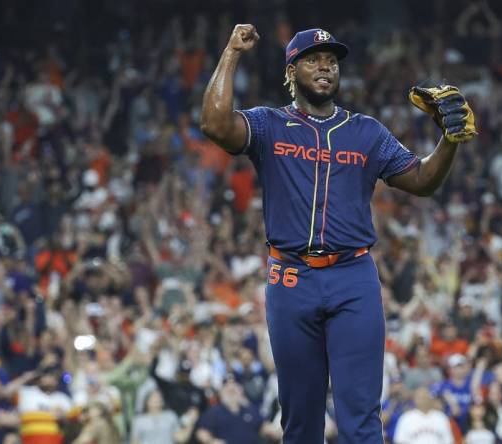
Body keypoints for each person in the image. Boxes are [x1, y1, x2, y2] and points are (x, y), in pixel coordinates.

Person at [200, 24, 475, 442]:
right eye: (313, 59)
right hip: (291, 279)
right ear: (291, 71)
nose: (326, 65)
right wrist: (232, 52)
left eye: (331, 60)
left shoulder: (366, 132)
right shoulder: (270, 124)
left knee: (361, 417)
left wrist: (448, 140)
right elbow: (215, 124)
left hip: (353, 278)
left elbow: (422, 180)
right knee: (300, 419)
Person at [392, 387, 458, 444]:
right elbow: (400, 441)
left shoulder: (441, 417)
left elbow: (448, 441)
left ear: (431, 399)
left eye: (426, 396)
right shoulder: (405, 418)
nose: (424, 399)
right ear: (414, 400)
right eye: (421, 397)